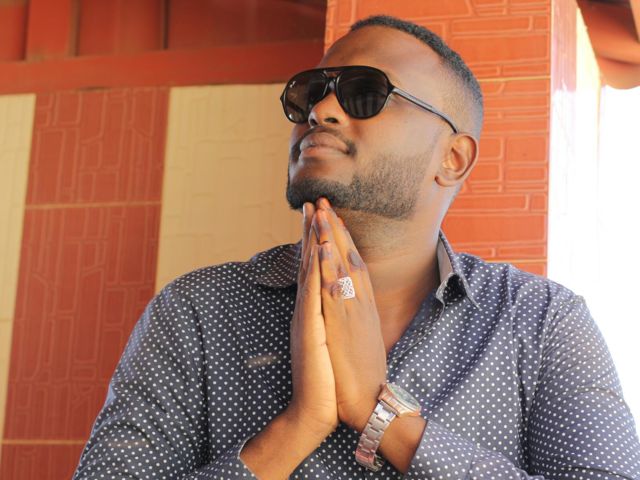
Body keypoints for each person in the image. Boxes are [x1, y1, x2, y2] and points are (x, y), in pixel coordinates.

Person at [73, 15, 640, 480]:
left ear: (453, 158)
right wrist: (298, 426)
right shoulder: (198, 310)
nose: (320, 111)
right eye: (309, 93)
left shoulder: (540, 321)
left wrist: (382, 415)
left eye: (365, 93)